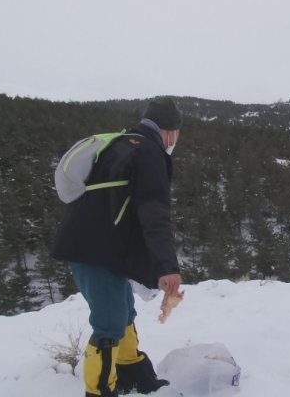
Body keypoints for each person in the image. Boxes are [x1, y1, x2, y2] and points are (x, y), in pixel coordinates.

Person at [52, 98, 183, 397]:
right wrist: (166, 267)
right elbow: (154, 211)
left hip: (96, 245)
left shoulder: (122, 143)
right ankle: (99, 391)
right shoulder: (150, 152)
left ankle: (131, 372)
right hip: (96, 250)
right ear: (171, 131)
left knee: (123, 311)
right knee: (109, 324)